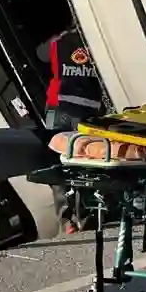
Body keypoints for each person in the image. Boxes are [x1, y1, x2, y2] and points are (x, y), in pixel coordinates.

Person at [36, 25, 106, 232]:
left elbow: (40, 54)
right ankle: (85, 216)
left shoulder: (59, 41)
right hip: (87, 111)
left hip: (58, 106)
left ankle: (66, 221)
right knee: (83, 161)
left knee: (57, 161)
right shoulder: (99, 39)